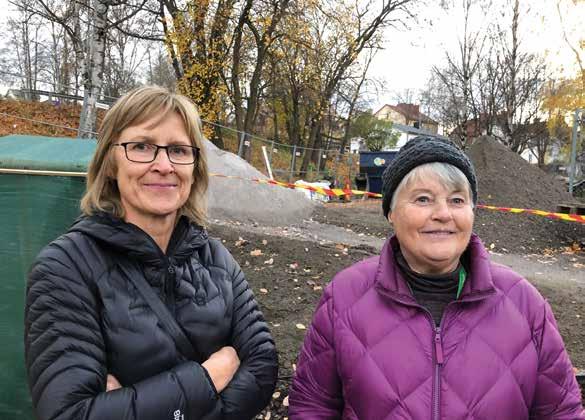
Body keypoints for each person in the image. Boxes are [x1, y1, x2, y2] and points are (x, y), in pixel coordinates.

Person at [24, 86, 278, 420]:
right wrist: (210, 377)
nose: (163, 165)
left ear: (194, 167)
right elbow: (70, 414)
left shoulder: (217, 259)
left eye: (178, 150)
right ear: (111, 163)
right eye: (141, 146)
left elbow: (262, 365)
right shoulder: (64, 269)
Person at [289, 136, 584, 419]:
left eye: (457, 200)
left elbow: (562, 412)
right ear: (391, 211)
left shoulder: (525, 305)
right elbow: (313, 406)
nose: (443, 213)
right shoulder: (344, 297)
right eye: (423, 199)